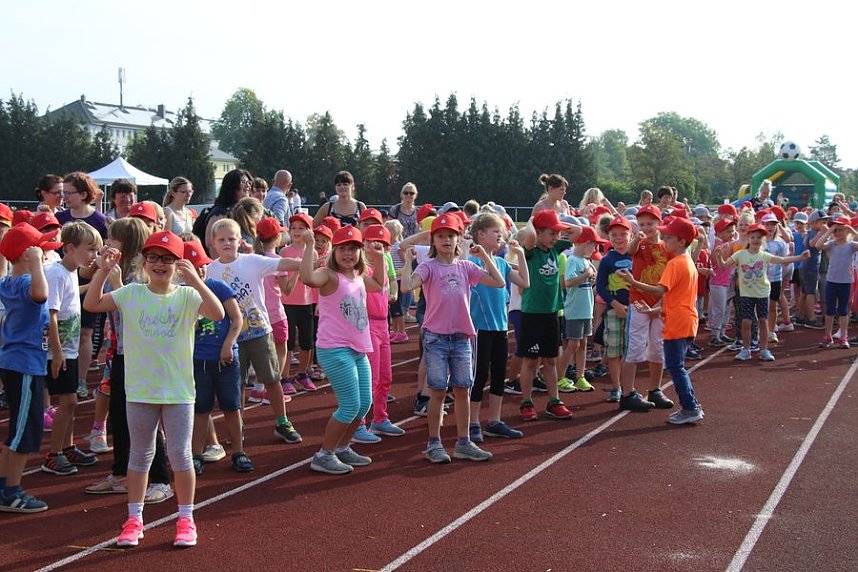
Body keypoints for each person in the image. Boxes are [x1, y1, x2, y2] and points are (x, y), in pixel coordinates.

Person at [85, 230, 223, 547]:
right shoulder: (132, 293)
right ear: (145, 261)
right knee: (140, 456)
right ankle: (134, 519)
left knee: (180, 456)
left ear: (178, 263)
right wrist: (104, 271)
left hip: (177, 392)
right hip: (140, 391)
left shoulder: (188, 297)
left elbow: (216, 313)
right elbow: (92, 303)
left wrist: (196, 280)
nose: (160, 264)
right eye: (154, 257)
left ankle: (186, 518)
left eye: (168, 258)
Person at [84, 218, 175, 503]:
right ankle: (121, 471)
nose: (107, 243)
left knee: (148, 419)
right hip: (120, 353)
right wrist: (106, 272)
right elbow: (94, 301)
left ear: (126, 241)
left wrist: (115, 281)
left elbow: (138, 313)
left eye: (113, 238)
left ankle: (160, 478)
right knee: (121, 418)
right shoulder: (117, 269)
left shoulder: (141, 276)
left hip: (144, 356)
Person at [401, 213, 504, 463]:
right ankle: (434, 443)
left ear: (459, 239)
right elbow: (406, 287)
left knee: (462, 390)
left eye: (451, 235)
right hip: (435, 337)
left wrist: (485, 257)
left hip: (461, 337)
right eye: (441, 236)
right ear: (433, 241)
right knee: (437, 391)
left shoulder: (467, 267)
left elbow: (499, 282)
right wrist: (407, 262)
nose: (446, 239)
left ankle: (463, 442)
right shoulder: (429, 267)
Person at [206, 218, 303, 444]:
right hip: (230, 337)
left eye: (231, 238)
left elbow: (284, 264)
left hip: (260, 332)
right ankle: (237, 427)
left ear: (240, 240)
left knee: (272, 379)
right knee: (235, 385)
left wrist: (308, 262)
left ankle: (282, 421)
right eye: (222, 239)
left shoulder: (252, 261)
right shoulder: (210, 270)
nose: (227, 243)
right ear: (213, 243)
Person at [299, 226, 385, 474]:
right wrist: (309, 247)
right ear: (334, 251)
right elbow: (307, 278)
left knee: (364, 403)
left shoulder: (357, 276)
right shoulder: (328, 274)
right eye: (343, 249)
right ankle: (324, 454)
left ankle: (343, 447)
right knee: (349, 404)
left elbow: (378, 285)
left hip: (357, 348)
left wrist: (378, 258)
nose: (348, 254)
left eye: (354, 249)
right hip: (334, 348)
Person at [617, 217, 705, 424]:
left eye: (668, 237)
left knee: (675, 367)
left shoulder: (675, 263)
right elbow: (678, 295)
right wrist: (656, 309)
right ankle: (690, 405)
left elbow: (659, 289)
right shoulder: (687, 261)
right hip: (683, 318)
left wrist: (632, 281)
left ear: (681, 242)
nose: (664, 240)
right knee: (676, 365)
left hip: (677, 321)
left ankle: (690, 407)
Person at [0, 223, 62, 513]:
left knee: (19, 427)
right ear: (26, 256)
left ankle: (4, 484)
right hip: (24, 365)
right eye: (36, 249)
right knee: (24, 431)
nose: (42, 251)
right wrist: (37, 263)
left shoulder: (8, 283)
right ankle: (11, 490)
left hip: (20, 363)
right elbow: (39, 294)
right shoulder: (26, 283)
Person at [42, 222, 102, 476]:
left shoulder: (69, 271)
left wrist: (99, 276)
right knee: (67, 402)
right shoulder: (55, 273)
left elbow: (72, 293)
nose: (94, 256)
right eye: (90, 250)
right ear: (70, 248)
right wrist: (56, 352)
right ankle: (53, 454)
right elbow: (51, 315)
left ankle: (66, 447)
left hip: (69, 349)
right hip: (57, 350)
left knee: (71, 403)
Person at [184, 240, 248, 474]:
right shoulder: (182, 293)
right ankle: (196, 454)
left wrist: (228, 345)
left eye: (202, 265)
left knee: (232, 407)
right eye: (193, 266)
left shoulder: (218, 287)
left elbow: (237, 319)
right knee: (201, 409)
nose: (199, 271)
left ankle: (239, 451)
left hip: (225, 359)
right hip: (198, 361)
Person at [467, 212, 529, 441]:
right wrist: (485, 257)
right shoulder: (471, 263)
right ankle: (473, 421)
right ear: (481, 235)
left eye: (502, 233)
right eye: (496, 232)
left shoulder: (502, 263)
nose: (501, 236)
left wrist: (520, 254)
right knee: (479, 374)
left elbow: (525, 282)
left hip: (500, 327)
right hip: (479, 328)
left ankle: (494, 419)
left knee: (498, 373)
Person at [514, 211, 582, 420]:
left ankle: (554, 401)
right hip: (532, 314)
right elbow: (531, 238)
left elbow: (578, 231)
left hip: (552, 313)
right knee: (531, 362)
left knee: (551, 361)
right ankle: (526, 402)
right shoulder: (531, 252)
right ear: (539, 232)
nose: (555, 237)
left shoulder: (557, 248)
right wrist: (533, 223)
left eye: (557, 233)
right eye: (551, 233)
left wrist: (560, 223)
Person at [716, 223, 809, 361]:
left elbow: (782, 260)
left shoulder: (764, 255)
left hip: (762, 293)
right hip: (746, 293)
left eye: (759, 237)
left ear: (763, 239)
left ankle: (764, 349)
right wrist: (718, 256)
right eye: (753, 237)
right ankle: (746, 349)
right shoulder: (740, 254)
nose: (755, 240)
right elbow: (723, 266)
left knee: (763, 321)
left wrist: (800, 257)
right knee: (746, 322)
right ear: (748, 238)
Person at [618, 204, 674, 411]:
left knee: (658, 348)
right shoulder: (639, 245)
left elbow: (669, 278)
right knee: (635, 348)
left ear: (659, 224)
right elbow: (629, 250)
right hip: (639, 302)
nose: (646, 227)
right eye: (642, 223)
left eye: (650, 223)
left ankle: (655, 389)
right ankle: (627, 393)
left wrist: (660, 304)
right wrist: (636, 237)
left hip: (658, 303)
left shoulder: (666, 248)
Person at [556, 225, 603, 394]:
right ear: (584, 243)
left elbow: (585, 285)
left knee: (583, 344)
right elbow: (568, 283)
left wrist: (591, 279)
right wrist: (586, 274)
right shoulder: (573, 261)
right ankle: (560, 377)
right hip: (575, 310)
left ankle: (580, 375)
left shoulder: (585, 261)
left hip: (585, 309)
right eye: (593, 245)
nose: (595, 249)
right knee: (573, 344)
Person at [595, 216, 634, 402]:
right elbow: (601, 286)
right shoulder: (607, 260)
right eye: (614, 235)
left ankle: (629, 387)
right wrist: (615, 304)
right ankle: (616, 387)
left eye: (623, 234)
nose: (618, 238)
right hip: (614, 311)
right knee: (613, 351)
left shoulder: (636, 256)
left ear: (630, 235)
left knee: (630, 351)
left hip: (635, 310)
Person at [279, 213, 318, 393]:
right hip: (287, 303)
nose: (296, 231)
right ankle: (285, 377)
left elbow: (314, 277)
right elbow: (283, 281)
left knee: (306, 340)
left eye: (301, 228)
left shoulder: (312, 251)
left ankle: (303, 374)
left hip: (306, 302)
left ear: (309, 231)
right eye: (293, 227)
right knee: (287, 342)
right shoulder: (285, 252)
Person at [811, 220, 858, 348]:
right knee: (830, 310)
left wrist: (851, 229)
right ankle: (828, 336)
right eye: (836, 230)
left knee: (843, 310)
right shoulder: (831, 244)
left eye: (840, 230)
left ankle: (843, 337)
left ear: (846, 231)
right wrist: (831, 230)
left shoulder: (852, 245)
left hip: (846, 282)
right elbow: (818, 245)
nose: (838, 232)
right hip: (832, 281)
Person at [196, 169, 253, 255]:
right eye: (243, 182)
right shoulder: (220, 212)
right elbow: (211, 244)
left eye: (249, 182)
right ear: (232, 186)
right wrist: (222, 265)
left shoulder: (243, 211)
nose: (248, 185)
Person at [708, 217, 737, 347]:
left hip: (727, 282)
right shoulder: (718, 245)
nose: (731, 234)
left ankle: (722, 332)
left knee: (726, 308)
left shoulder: (729, 244)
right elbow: (718, 262)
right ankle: (715, 335)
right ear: (719, 233)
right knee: (719, 309)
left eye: (732, 231)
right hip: (718, 283)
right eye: (728, 231)